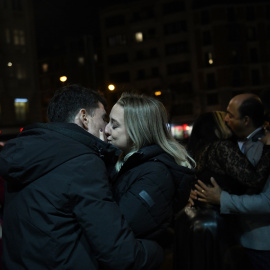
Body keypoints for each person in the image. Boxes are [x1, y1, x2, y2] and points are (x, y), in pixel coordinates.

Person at [0, 84, 163, 270]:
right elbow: (120, 253)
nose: (106, 129)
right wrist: (156, 250)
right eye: (103, 118)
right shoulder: (82, 162)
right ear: (84, 117)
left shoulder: (26, 154)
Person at [174, 109, 270, 270]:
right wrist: (268, 147)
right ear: (217, 127)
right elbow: (254, 179)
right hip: (215, 223)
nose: (227, 121)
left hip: (193, 220)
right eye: (224, 120)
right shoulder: (220, 148)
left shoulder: (198, 151)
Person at [104, 93, 195, 247]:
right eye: (108, 121)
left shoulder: (155, 174)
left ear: (137, 130)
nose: (106, 130)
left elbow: (116, 228)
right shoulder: (124, 161)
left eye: (114, 125)